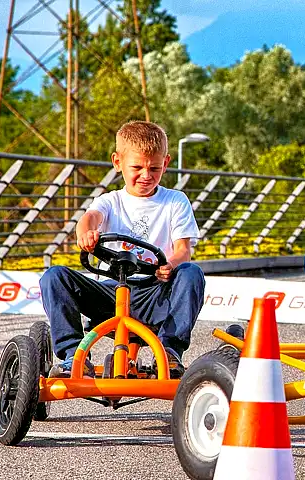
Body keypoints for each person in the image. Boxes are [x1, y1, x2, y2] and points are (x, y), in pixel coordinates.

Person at [39, 120, 206, 379]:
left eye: (154, 168)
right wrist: (86, 233)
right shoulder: (111, 201)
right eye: (137, 167)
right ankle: (74, 356)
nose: (146, 175)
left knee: (191, 273)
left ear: (166, 163)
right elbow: (90, 218)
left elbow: (183, 250)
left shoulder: (175, 201)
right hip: (109, 294)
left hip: (153, 293)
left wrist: (170, 264)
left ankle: (169, 353)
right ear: (118, 162)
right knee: (54, 276)